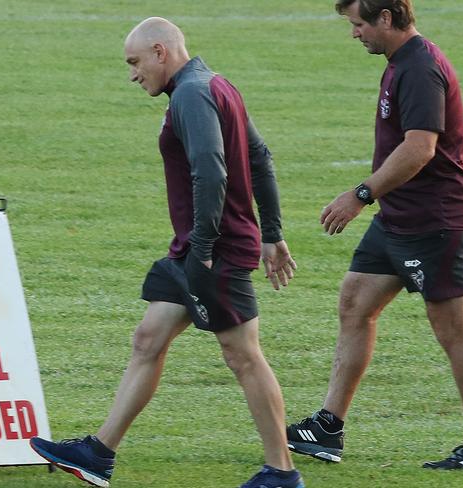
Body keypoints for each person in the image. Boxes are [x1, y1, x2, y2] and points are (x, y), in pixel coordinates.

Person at [29, 17, 304, 488]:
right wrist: (271, 232)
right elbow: (260, 157)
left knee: (242, 356)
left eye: (135, 62)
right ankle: (99, 453)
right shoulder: (216, 84)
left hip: (212, 251)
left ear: (161, 51)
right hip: (198, 248)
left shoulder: (192, 95)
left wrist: (202, 247)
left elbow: (211, 171)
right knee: (148, 339)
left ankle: (282, 473)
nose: (133, 74)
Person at [286, 0, 463, 471]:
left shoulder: (421, 67)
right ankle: (328, 426)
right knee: (355, 302)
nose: (354, 33)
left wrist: (360, 194)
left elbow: (420, 149)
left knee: (455, 329)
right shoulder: (400, 63)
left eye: (359, 24)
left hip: (435, 222)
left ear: (386, 18)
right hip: (398, 217)